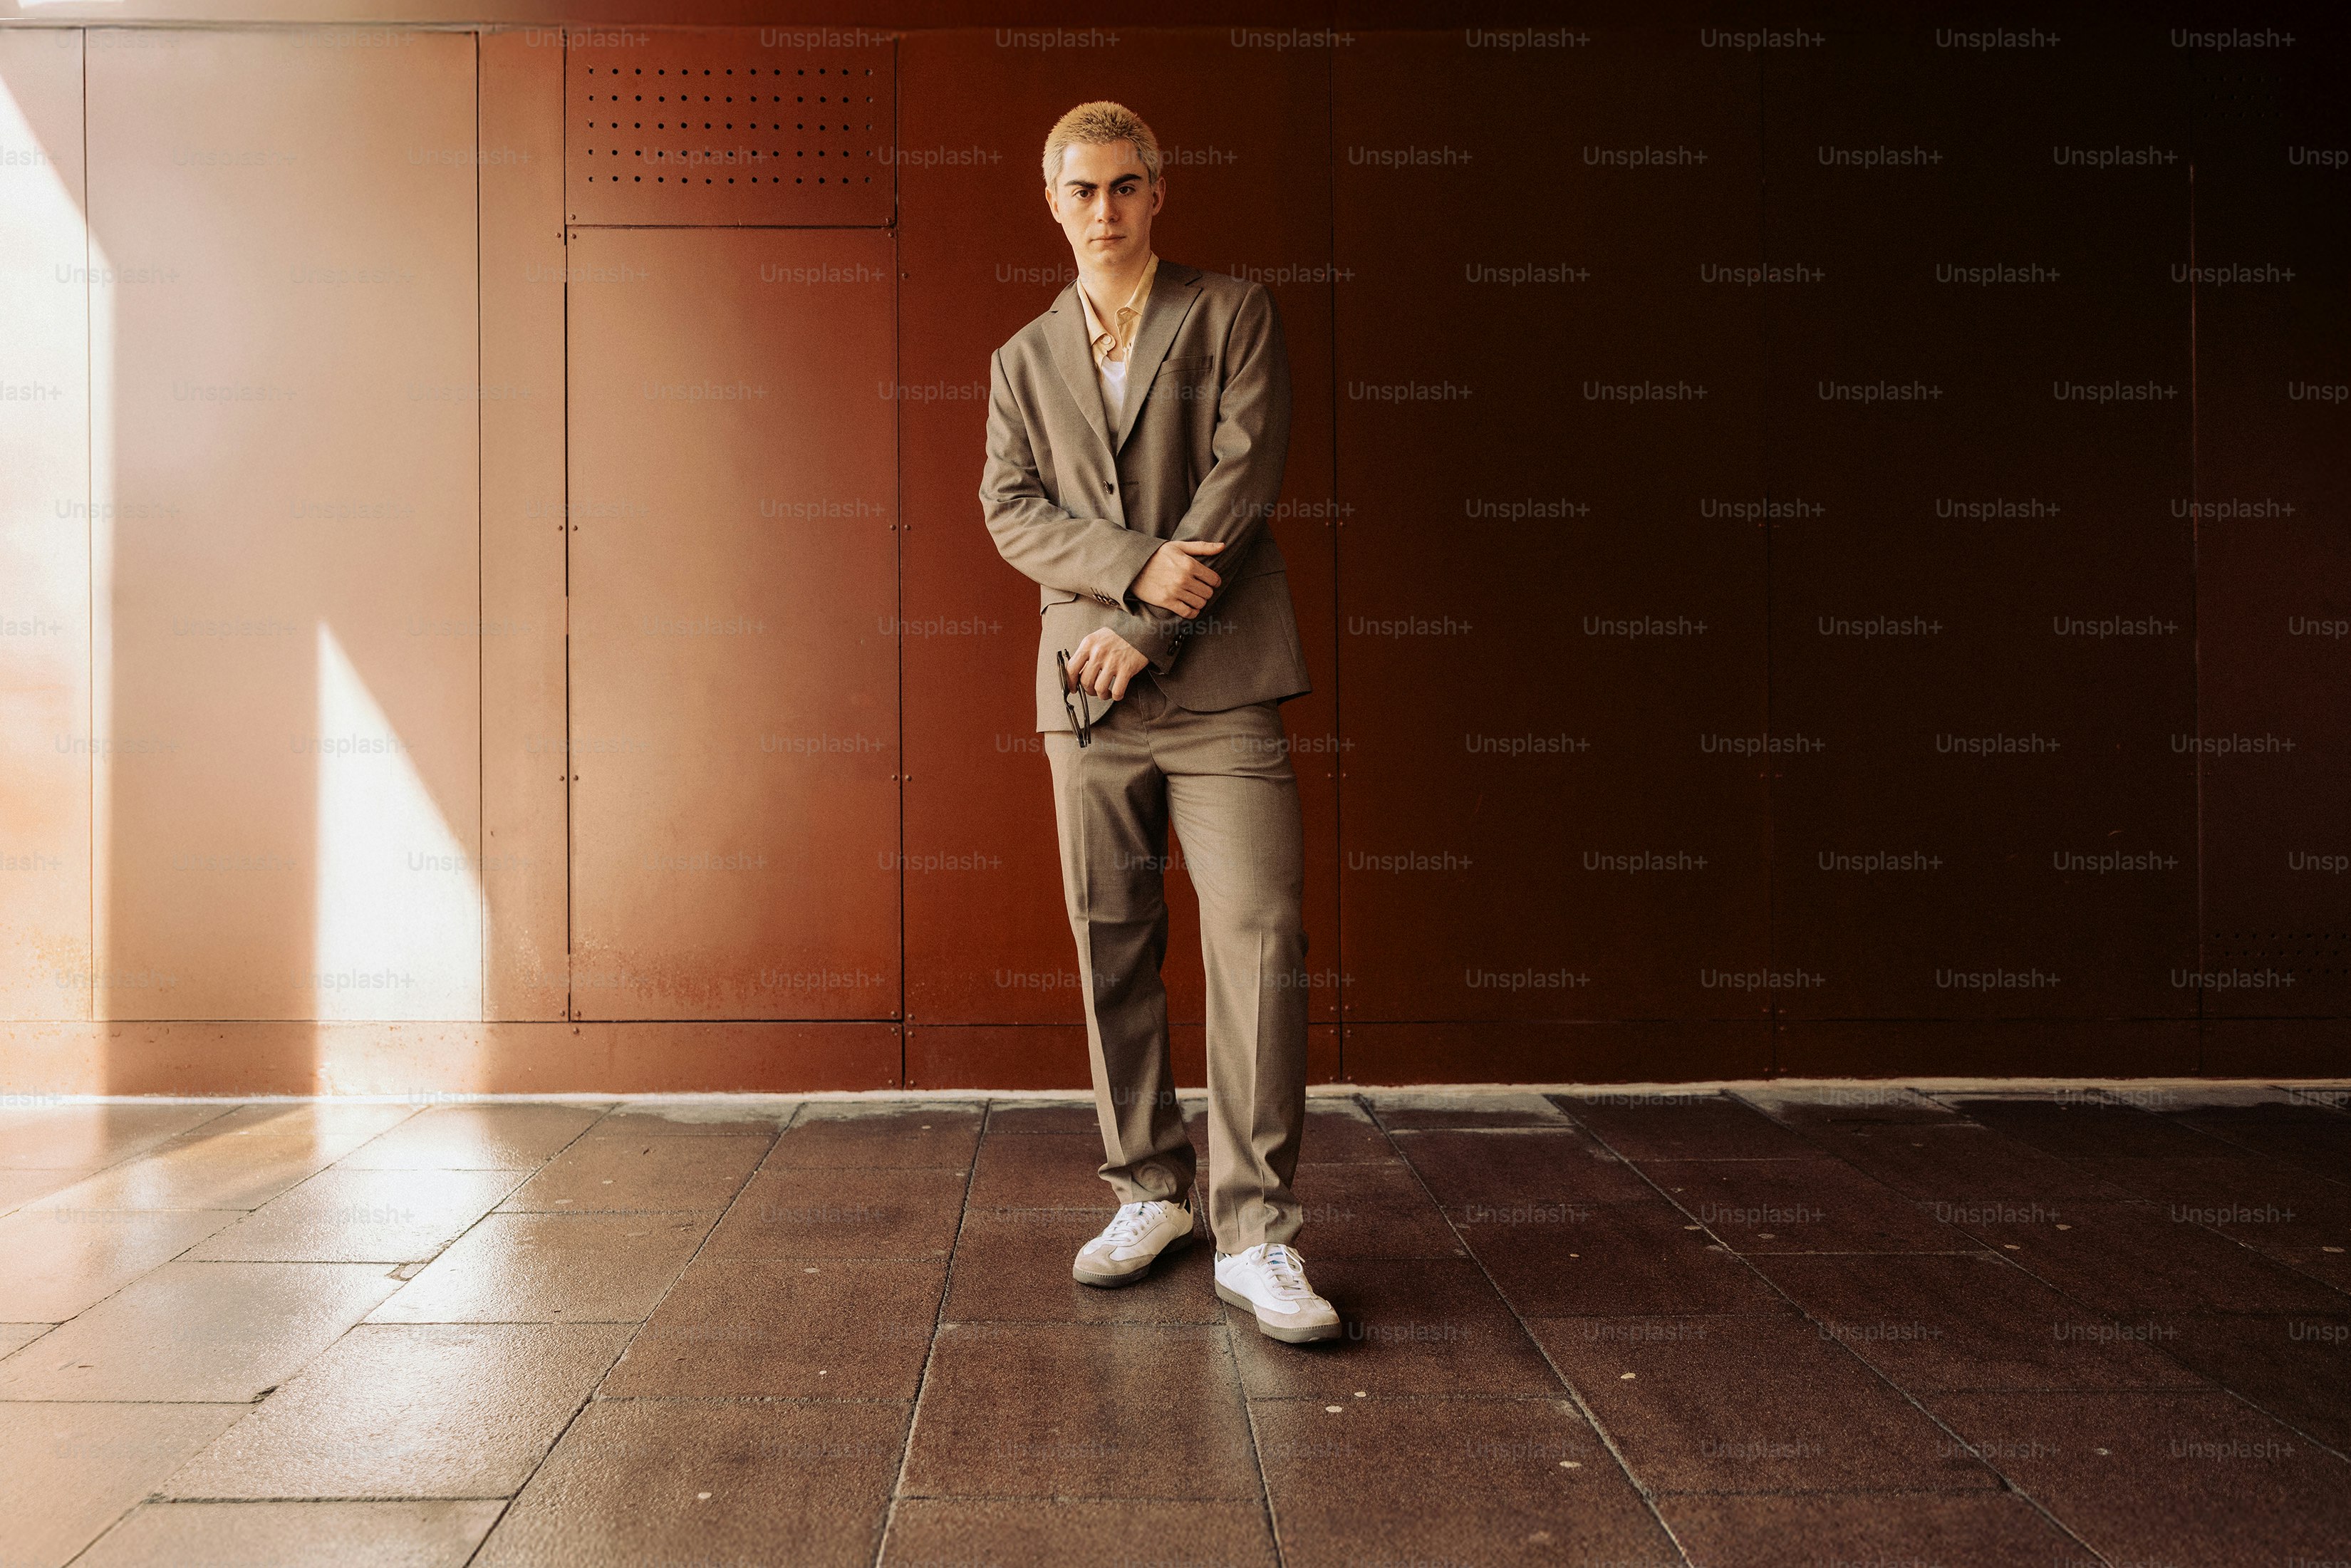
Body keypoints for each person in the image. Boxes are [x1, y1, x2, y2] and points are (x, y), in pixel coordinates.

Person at [979, 100, 1337, 1343]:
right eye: (1081, 190)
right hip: (1086, 698)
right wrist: (1134, 574)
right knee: (1111, 938)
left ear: (1159, 191)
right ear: (1052, 200)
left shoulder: (1233, 311)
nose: (1105, 210)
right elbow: (1008, 511)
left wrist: (1141, 627)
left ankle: (1258, 1232)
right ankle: (1150, 1189)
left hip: (1220, 680)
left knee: (1259, 934)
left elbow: (1240, 485)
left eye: (1126, 186)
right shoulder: (1021, 360)